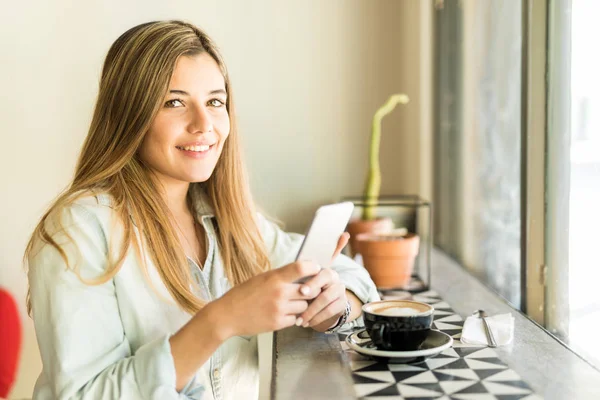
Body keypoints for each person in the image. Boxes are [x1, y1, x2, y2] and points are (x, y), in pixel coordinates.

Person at [25, 20, 379, 400]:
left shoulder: (225, 220)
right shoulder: (78, 229)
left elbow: (346, 273)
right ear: (130, 114)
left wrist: (337, 304)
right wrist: (220, 320)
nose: (204, 124)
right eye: (175, 102)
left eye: (215, 102)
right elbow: (83, 395)